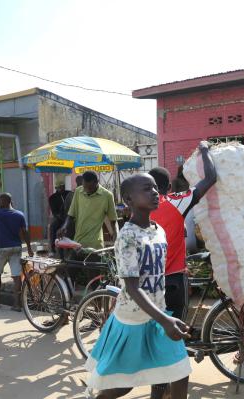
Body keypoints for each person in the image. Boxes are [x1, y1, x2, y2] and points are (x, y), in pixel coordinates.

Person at [85, 173, 192, 399]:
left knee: (180, 372)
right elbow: (132, 287)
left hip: (158, 315)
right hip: (133, 320)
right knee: (125, 384)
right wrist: (165, 320)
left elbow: (156, 270)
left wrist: (163, 316)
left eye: (155, 188)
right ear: (129, 200)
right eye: (146, 188)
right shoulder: (127, 236)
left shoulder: (159, 231)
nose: (154, 192)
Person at [149, 141, 216, 321]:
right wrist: (204, 150)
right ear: (169, 187)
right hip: (174, 280)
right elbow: (210, 178)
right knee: (177, 328)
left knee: (154, 330)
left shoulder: (139, 209)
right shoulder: (176, 202)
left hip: (148, 282)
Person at [0, 193, 34, 311]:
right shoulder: (20, 214)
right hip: (16, 247)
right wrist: (29, 248)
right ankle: (17, 304)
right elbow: (25, 232)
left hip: (2, 248)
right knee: (17, 276)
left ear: (4, 202)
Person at [57, 171, 118, 250]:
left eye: (89, 188)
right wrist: (64, 227)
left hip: (95, 246)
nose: (86, 190)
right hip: (78, 243)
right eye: (84, 187)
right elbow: (71, 214)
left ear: (96, 182)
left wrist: (116, 236)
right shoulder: (78, 191)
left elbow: (113, 220)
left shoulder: (107, 196)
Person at [48, 183, 71, 254]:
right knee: (53, 226)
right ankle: (52, 247)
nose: (61, 188)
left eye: (63, 186)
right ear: (56, 188)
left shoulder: (69, 194)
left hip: (70, 216)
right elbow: (54, 212)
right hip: (59, 217)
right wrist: (62, 218)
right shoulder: (52, 198)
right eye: (59, 187)